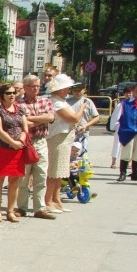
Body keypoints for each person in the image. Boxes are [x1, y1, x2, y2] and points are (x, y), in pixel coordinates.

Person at [15, 74, 55, 220]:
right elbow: (20, 123)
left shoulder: (45, 101)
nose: (36, 89)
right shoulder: (18, 104)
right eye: (33, 86)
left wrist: (29, 120)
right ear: (25, 87)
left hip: (41, 141)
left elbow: (50, 118)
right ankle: (22, 207)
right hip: (26, 142)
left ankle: (40, 208)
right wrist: (40, 119)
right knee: (23, 177)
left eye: (38, 86)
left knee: (41, 175)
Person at [0, 82, 29, 223]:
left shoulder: (20, 109)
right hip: (2, 148)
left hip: (18, 149)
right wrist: (12, 143)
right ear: (2, 95)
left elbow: (25, 128)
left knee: (14, 180)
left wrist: (21, 141)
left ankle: (11, 211)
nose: (12, 95)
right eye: (9, 93)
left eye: (14, 92)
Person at [43, 74, 84, 210]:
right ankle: (49, 200)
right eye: (67, 88)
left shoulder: (61, 101)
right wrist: (82, 109)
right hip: (57, 138)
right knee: (54, 171)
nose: (69, 90)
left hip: (65, 138)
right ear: (61, 89)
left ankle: (56, 198)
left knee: (60, 172)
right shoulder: (57, 103)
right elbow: (73, 118)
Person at [69, 82, 100, 159]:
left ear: (84, 90)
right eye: (75, 90)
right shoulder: (67, 101)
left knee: (82, 155)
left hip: (83, 132)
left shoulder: (87, 101)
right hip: (70, 132)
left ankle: (81, 169)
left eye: (79, 90)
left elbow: (96, 117)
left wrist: (86, 125)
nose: (77, 92)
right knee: (70, 154)